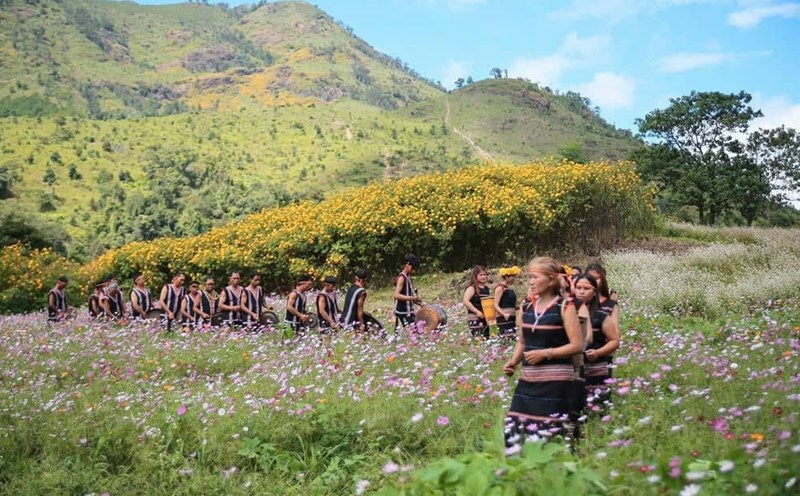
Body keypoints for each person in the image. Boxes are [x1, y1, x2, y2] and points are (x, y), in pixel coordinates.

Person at [502, 257, 583, 443]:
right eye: (529, 277)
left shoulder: (565, 307)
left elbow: (577, 345)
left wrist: (546, 353)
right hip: (528, 380)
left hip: (556, 382)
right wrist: (513, 362)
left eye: (535, 277)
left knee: (548, 435)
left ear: (552, 279)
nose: (531, 281)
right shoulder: (527, 308)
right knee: (514, 431)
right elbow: (522, 342)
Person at [573, 274, 620, 406]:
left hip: (596, 369)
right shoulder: (567, 313)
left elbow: (614, 341)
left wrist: (598, 352)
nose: (581, 291)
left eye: (586, 288)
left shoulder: (601, 316)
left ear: (594, 292)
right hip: (573, 371)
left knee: (598, 408)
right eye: (578, 287)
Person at [393, 254, 422, 330]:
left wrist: (421, 304)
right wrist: (412, 298)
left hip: (409, 311)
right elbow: (396, 295)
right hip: (403, 312)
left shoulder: (408, 277)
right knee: (413, 335)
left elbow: (410, 294)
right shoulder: (401, 278)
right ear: (407, 265)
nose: (414, 270)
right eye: (413, 268)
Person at [463, 265, 490, 339]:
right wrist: (477, 312)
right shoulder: (472, 288)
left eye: (485, 274)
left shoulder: (486, 289)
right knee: (478, 339)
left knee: (486, 338)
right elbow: (466, 301)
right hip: (475, 318)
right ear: (475, 276)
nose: (483, 277)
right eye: (481, 275)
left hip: (485, 318)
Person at [493, 266, 520, 338]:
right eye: (512, 276)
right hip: (504, 318)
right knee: (506, 337)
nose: (514, 278)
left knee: (512, 337)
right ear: (506, 277)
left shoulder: (508, 288)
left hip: (511, 318)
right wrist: (504, 314)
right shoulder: (500, 288)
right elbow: (495, 304)